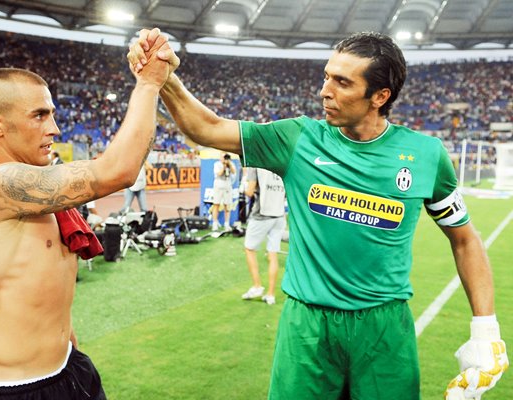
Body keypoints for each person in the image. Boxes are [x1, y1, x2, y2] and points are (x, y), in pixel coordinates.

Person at [128, 30, 508, 399]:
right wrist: (165, 77)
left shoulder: (426, 155)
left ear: (380, 95)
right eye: (327, 77)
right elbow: (206, 129)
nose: (325, 91)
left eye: (342, 82)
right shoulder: (297, 139)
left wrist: (485, 330)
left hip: (384, 330)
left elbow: (464, 238)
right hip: (307, 327)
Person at [0, 28, 172, 400]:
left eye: (52, 113)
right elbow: (118, 170)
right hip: (12, 389)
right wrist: (149, 83)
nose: (54, 127)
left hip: (68, 368)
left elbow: (45, 293)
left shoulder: (38, 192)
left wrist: (69, 351)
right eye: (39, 115)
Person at [241, 167, 286, 305]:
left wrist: (244, 183)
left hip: (261, 215)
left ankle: (257, 286)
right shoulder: (281, 164)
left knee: (249, 249)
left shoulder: (255, 167)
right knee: (273, 254)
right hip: (279, 215)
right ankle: (270, 295)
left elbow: (249, 191)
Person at [211, 152, 236, 231]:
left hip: (227, 185)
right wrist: (224, 166)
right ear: (220, 158)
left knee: (227, 205)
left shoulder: (230, 164)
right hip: (218, 185)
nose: (224, 159)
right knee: (216, 204)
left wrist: (229, 164)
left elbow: (234, 172)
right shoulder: (217, 164)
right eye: (223, 157)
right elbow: (219, 173)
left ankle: (227, 224)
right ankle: (215, 223)